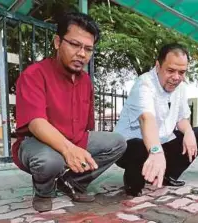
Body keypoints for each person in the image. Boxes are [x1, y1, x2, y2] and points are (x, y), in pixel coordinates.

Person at [12, 12, 127, 212]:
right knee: (49, 161)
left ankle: (72, 182)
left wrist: (79, 149)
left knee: (118, 143)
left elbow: (88, 126)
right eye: (75, 45)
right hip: (38, 142)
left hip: (75, 138)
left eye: (88, 49)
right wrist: (68, 150)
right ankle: (44, 190)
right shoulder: (34, 75)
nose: (82, 54)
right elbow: (36, 122)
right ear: (58, 42)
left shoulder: (86, 82)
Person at [114, 43, 198, 196]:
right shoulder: (144, 84)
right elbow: (147, 118)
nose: (176, 78)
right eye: (170, 70)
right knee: (140, 146)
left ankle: (167, 175)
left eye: (182, 72)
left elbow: (181, 119)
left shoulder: (181, 88)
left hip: (161, 141)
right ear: (158, 66)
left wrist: (189, 132)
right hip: (131, 146)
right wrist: (156, 151)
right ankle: (133, 182)